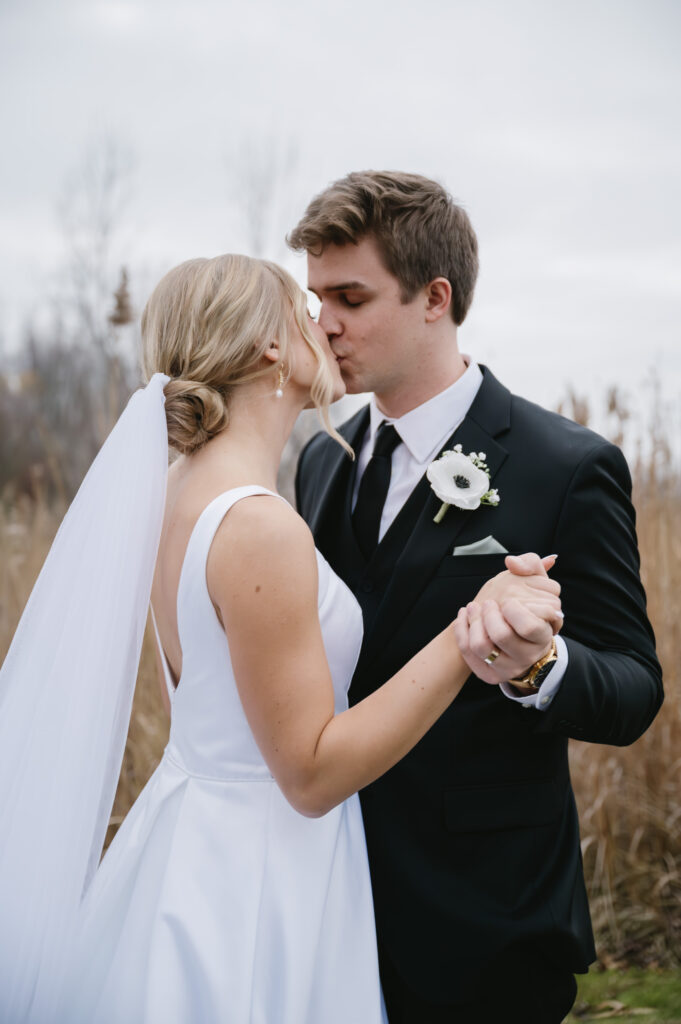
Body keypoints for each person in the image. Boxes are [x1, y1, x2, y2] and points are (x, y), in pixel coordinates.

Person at [0, 254, 563, 1024]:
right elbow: (309, 774)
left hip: (187, 835)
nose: (324, 325)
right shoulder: (259, 527)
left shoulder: (176, 491)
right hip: (255, 873)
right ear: (269, 346)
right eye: (304, 309)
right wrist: (471, 633)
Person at [289, 171, 664, 1024]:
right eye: (315, 300)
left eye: (349, 296)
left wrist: (540, 668)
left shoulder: (565, 465)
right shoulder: (320, 459)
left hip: (486, 919)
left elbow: (633, 690)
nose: (324, 325)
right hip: (325, 897)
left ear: (435, 297)